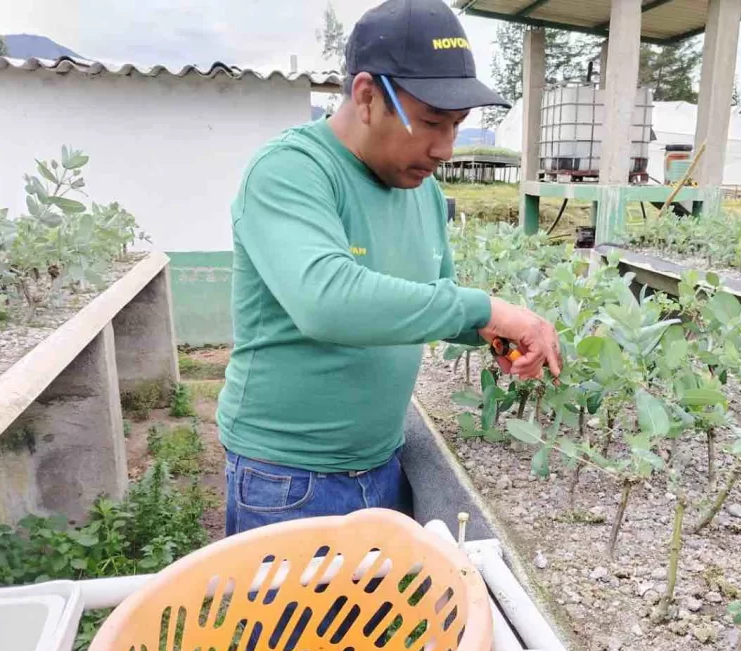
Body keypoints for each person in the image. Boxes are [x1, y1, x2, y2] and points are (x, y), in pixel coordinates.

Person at [218, 0, 561, 536]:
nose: (445, 149)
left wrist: (498, 335)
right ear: (366, 96)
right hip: (287, 477)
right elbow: (326, 302)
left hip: (383, 465)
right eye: (430, 122)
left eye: (457, 126)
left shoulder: (421, 190)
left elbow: (434, 301)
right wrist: (487, 308)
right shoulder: (290, 171)